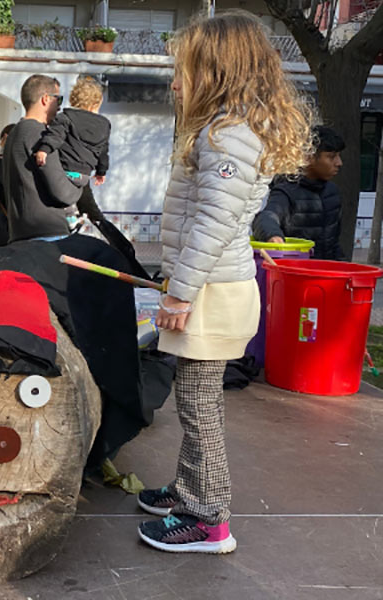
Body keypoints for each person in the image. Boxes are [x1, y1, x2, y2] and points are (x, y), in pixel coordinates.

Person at [136, 11, 311, 553]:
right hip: (209, 287)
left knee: (197, 405)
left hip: (211, 292)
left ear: (215, 72)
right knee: (196, 398)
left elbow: (212, 225)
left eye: (184, 72)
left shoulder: (228, 136)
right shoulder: (226, 131)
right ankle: (191, 490)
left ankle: (209, 517)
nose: (175, 83)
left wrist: (180, 293)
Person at [3, 74, 84, 243]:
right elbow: (62, 193)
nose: (60, 107)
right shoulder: (41, 135)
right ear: (46, 99)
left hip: (19, 233)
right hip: (47, 234)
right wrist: (80, 182)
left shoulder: (13, 134)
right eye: (58, 99)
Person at [252, 125, 345, 259]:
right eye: (331, 157)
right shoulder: (286, 192)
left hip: (326, 273)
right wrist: (273, 236)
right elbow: (265, 218)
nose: (339, 163)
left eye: (338, 156)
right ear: (308, 157)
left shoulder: (332, 192)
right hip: (297, 273)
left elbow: (334, 244)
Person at [34, 76, 110, 190]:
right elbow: (103, 152)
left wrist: (44, 150)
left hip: (65, 172)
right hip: (84, 176)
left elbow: (55, 135)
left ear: (73, 99)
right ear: (97, 103)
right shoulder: (105, 125)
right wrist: (101, 172)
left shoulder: (65, 118)